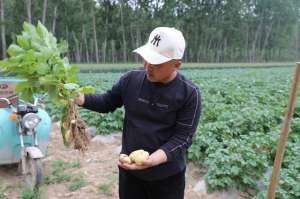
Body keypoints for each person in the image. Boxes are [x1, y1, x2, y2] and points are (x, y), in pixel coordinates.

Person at [75, 27, 202, 199]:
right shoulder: (131, 79)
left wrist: (152, 160)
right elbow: (107, 102)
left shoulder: (189, 93)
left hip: (167, 178)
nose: (148, 66)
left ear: (176, 64)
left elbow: (183, 138)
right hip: (130, 175)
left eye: (157, 63)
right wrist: (79, 98)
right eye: (147, 58)